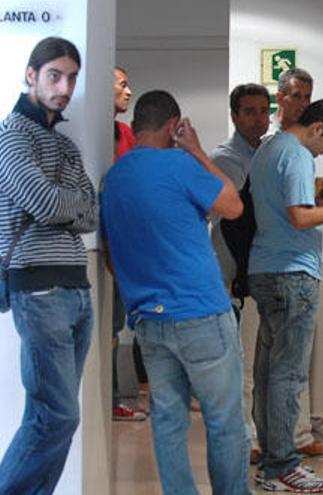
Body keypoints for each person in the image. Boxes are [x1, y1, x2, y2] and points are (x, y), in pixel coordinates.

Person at [101, 90, 249, 495]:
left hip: (148, 320)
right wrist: (199, 152)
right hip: (200, 312)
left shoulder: (112, 179)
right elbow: (233, 206)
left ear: (134, 127)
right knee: (224, 421)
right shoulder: (180, 165)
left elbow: (112, 260)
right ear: (174, 127)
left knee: (167, 423)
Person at [0, 36, 98, 495]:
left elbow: (90, 213)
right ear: (31, 75)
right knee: (57, 416)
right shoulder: (12, 135)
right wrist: (67, 204)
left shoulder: (64, 145)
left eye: (71, 78)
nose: (64, 87)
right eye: (54, 75)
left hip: (77, 290)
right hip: (38, 289)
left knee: (50, 417)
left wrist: (66, 204)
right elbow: (42, 203)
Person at [248, 98, 323, 492]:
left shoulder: (268, 149)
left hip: (266, 268)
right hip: (293, 273)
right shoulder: (296, 155)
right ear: (317, 128)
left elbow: (287, 211)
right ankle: (282, 466)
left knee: (269, 373)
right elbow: (298, 217)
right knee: (288, 376)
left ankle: (273, 462)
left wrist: (318, 205)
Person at [264, 67, 323, 458]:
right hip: (280, 264)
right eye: (296, 96)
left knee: (292, 361)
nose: (303, 104)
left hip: (295, 259)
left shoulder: (300, 149)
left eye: (308, 97)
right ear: (281, 98)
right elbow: (294, 215)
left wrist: (319, 203)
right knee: (278, 364)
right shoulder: (278, 147)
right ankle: (275, 445)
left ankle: (297, 435)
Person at [209, 82, 271, 463]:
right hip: (230, 269)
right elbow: (235, 218)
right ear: (234, 116)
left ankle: (256, 431)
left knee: (255, 358)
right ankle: (240, 437)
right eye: (249, 111)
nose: (258, 118)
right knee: (236, 360)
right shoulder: (226, 158)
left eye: (264, 111)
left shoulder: (268, 152)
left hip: (259, 267)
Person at [110, 65, 148, 422]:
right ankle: (107, 398)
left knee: (118, 324)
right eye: (122, 84)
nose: (128, 90)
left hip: (127, 246)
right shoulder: (93, 132)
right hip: (101, 244)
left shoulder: (125, 133)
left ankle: (114, 398)